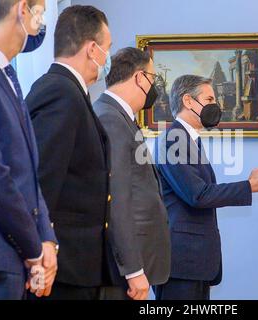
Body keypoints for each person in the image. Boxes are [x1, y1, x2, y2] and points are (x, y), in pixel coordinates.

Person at [0, 0, 57, 300]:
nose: (40, 22)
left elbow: (27, 174)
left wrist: (47, 239)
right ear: (22, 10)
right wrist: (33, 247)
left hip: (13, 259)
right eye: (40, 12)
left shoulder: (5, 73)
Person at [25, 5, 115, 300]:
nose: (107, 58)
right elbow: (41, 181)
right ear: (92, 49)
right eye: (107, 48)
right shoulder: (60, 92)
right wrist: (39, 253)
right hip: (62, 268)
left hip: (77, 266)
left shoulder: (70, 91)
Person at [153, 75, 258, 300]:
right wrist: (248, 186)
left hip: (194, 262)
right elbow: (198, 194)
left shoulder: (189, 139)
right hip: (182, 262)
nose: (215, 105)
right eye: (209, 98)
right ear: (188, 101)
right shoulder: (173, 140)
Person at [93, 47, 171, 300]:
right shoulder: (110, 118)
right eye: (152, 78)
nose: (153, 88)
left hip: (134, 261)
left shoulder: (119, 116)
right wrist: (133, 268)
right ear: (140, 78)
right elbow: (117, 198)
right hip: (123, 267)